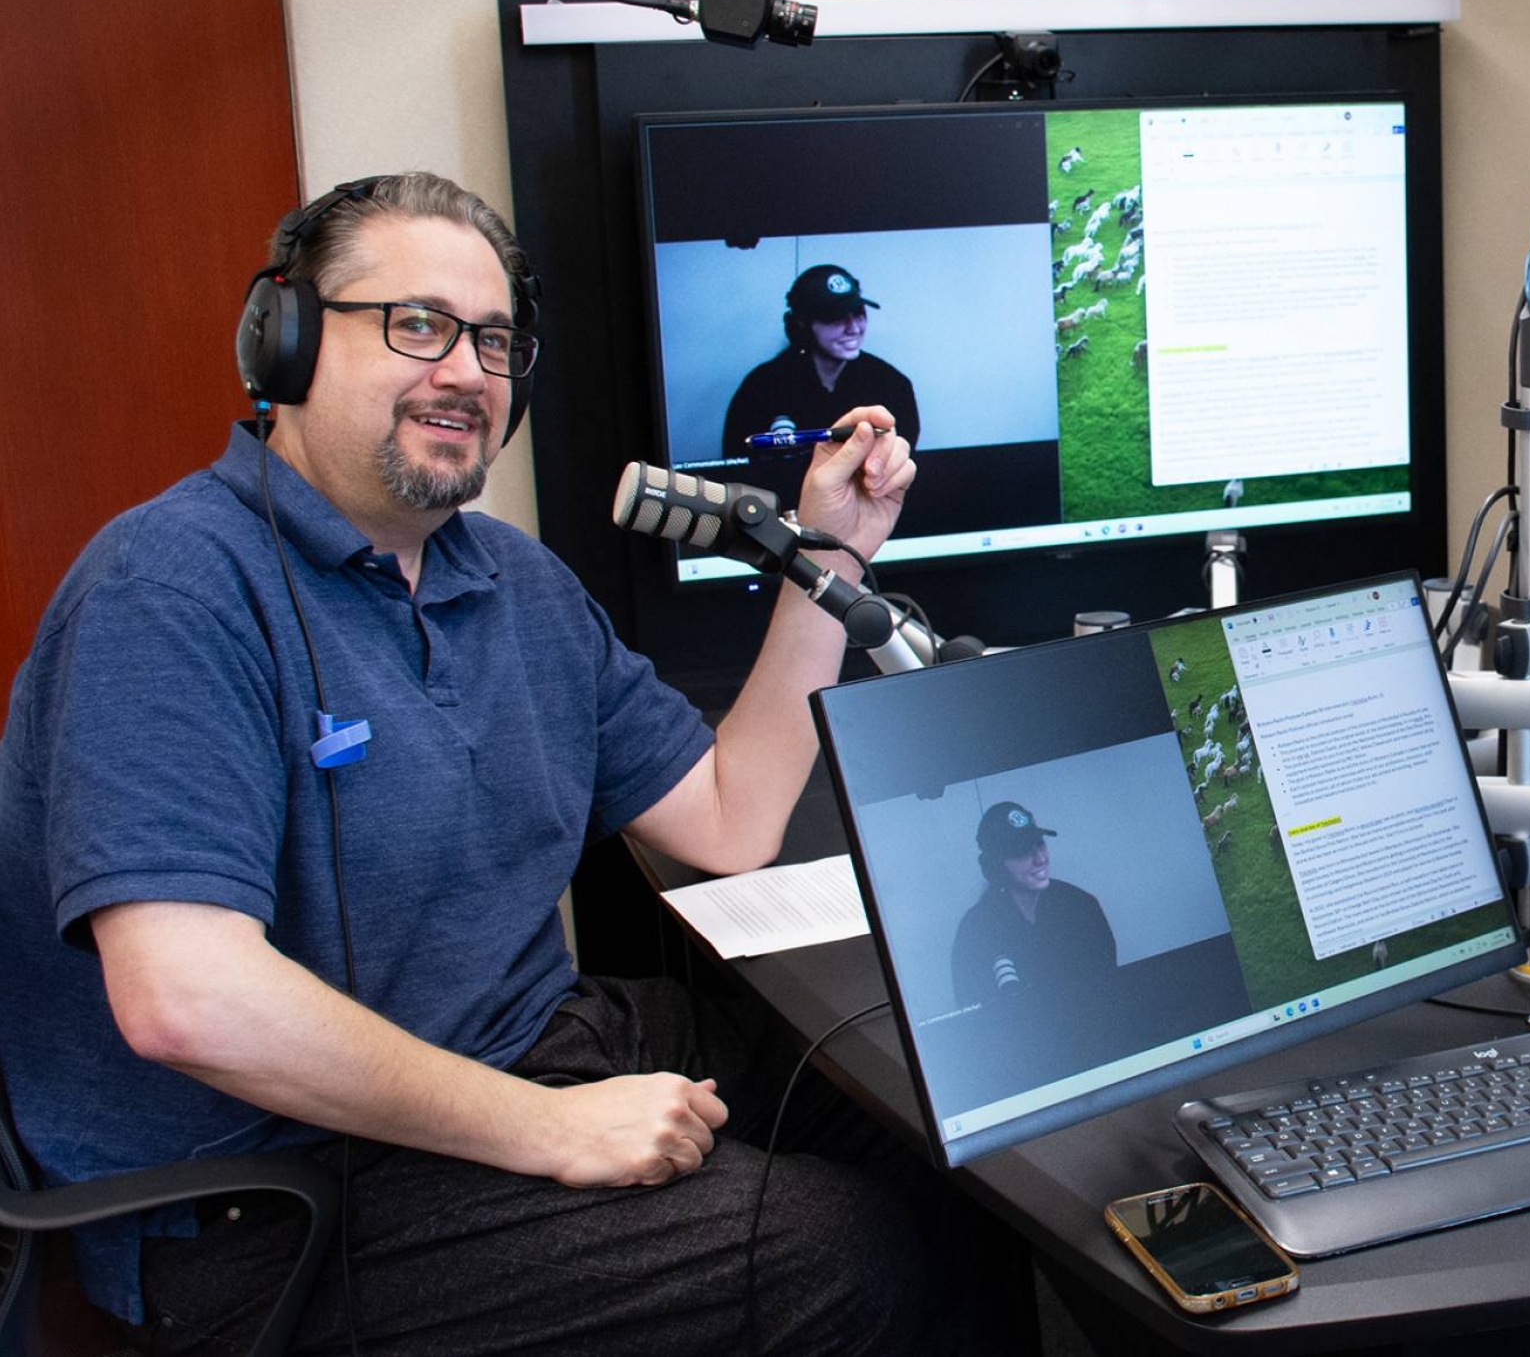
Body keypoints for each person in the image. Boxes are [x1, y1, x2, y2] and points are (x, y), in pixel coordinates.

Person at [0, 175, 1034, 1355]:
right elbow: (186, 1001)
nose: (465, 372)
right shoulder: (169, 591)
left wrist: (829, 558)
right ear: (285, 339)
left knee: (940, 1096)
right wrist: (551, 1131)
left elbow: (730, 820)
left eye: (493, 341)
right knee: (829, 1251)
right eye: (417, 324)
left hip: (524, 1043)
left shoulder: (510, 579)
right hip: (270, 1192)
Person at [722, 263, 922, 475]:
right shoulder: (762, 388)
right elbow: (738, 467)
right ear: (801, 324)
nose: (853, 328)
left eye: (858, 313)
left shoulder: (890, 384)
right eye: (836, 318)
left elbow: (900, 466)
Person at [950, 801, 1119, 1011]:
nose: (1040, 859)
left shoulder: (1081, 906)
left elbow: (1108, 989)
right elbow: (976, 1013)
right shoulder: (976, 931)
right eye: (1022, 851)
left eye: (1039, 843)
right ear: (995, 865)